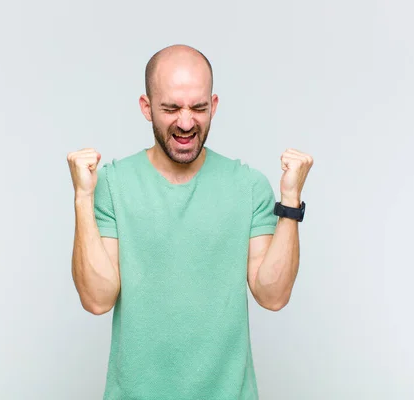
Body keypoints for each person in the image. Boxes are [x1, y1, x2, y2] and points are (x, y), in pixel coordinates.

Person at [67, 44, 313, 400]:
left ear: (213, 106)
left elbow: (272, 296)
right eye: (171, 108)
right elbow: (97, 299)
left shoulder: (247, 186)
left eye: (198, 108)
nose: (186, 122)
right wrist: (82, 198)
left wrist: (289, 201)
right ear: (147, 108)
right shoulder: (113, 185)